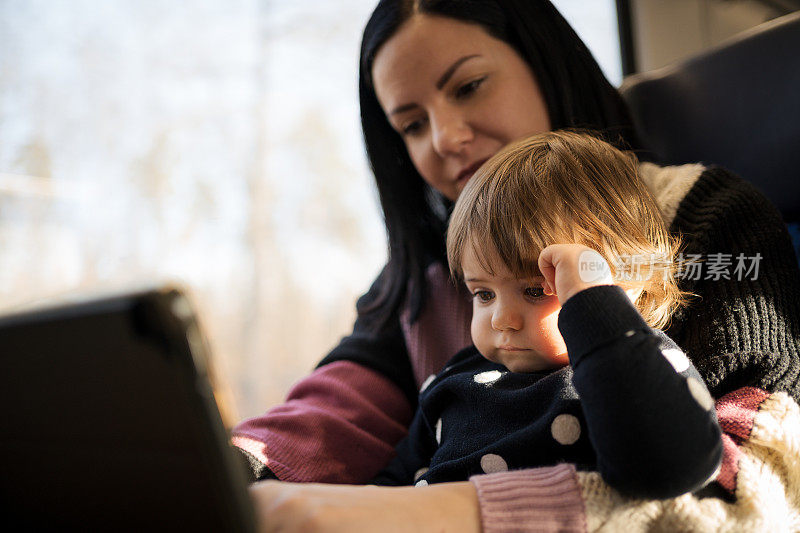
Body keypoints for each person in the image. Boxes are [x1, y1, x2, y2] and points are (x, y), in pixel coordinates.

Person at [235, 1, 800, 531]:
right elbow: (334, 413)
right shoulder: (424, 280)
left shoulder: (704, 218)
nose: (446, 138)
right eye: (411, 124)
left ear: (543, 62)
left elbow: (757, 490)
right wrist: (223, 478)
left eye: (469, 86)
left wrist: (452, 512)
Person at [370, 131, 723, 498]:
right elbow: (391, 485)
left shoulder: (635, 367)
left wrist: (593, 308)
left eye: (536, 290)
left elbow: (674, 468)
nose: (500, 318)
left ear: (626, 288)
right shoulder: (453, 379)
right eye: (484, 294)